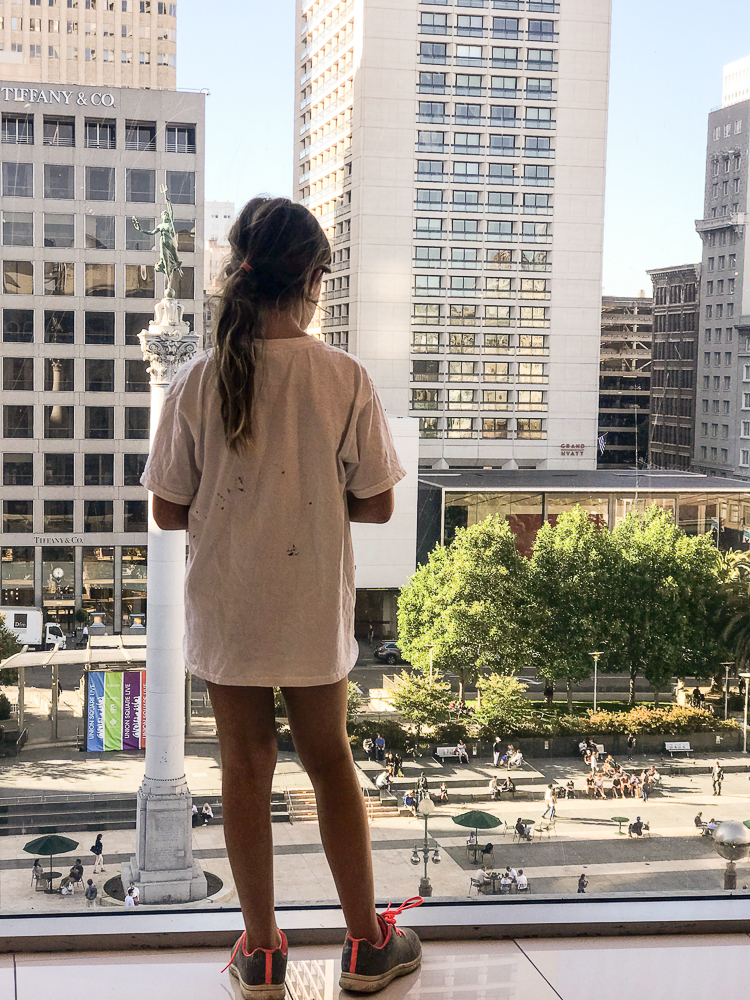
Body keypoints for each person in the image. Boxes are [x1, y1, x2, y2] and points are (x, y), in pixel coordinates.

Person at [145, 198, 421, 995]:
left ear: (240, 274)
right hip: (310, 602)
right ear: (311, 279)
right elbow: (378, 502)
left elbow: (167, 508)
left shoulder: (196, 379)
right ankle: (367, 946)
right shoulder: (343, 377)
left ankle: (262, 952)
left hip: (227, 604)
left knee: (244, 768)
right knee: (330, 763)